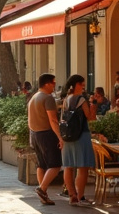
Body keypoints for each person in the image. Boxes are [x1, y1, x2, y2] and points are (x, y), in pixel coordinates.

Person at [60, 74, 98, 206]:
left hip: (68, 136)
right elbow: (90, 117)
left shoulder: (66, 99)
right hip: (82, 135)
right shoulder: (81, 99)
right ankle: (80, 196)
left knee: (68, 166)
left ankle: (72, 196)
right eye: (82, 84)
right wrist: (93, 104)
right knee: (83, 167)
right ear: (77, 85)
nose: (84, 87)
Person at [28, 73, 62, 206]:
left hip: (35, 134)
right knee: (55, 165)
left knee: (41, 164)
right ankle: (42, 189)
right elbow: (53, 119)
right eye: (53, 83)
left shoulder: (33, 97)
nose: (54, 86)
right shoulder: (48, 98)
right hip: (47, 134)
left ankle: (43, 194)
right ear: (47, 84)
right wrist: (60, 137)